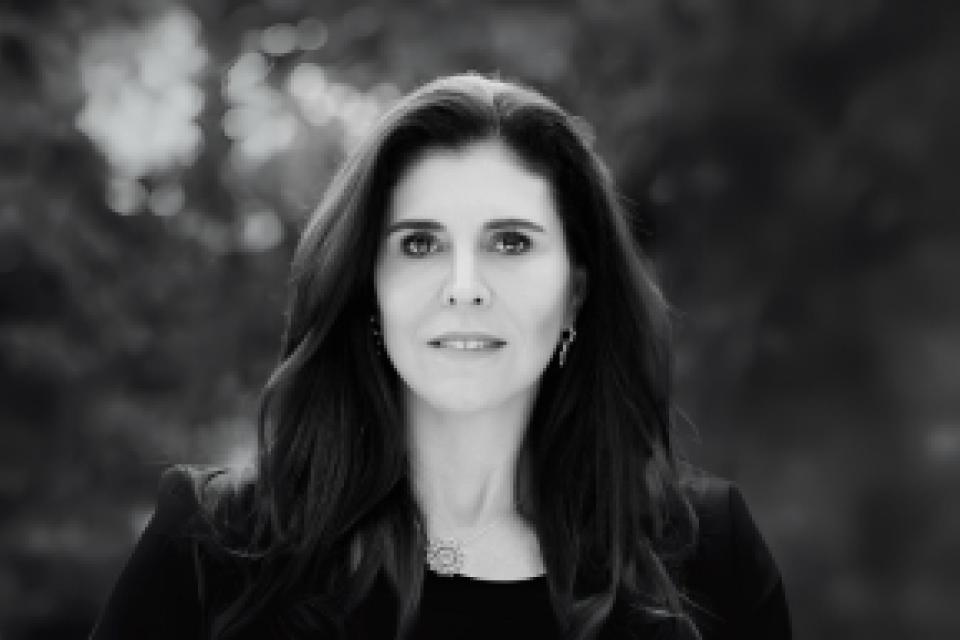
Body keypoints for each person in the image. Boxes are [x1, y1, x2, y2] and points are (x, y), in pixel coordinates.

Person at [90, 72, 791, 640]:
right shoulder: (214, 550)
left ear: (576, 292)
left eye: (510, 243)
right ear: (368, 286)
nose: (464, 287)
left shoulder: (706, 557)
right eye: (420, 244)